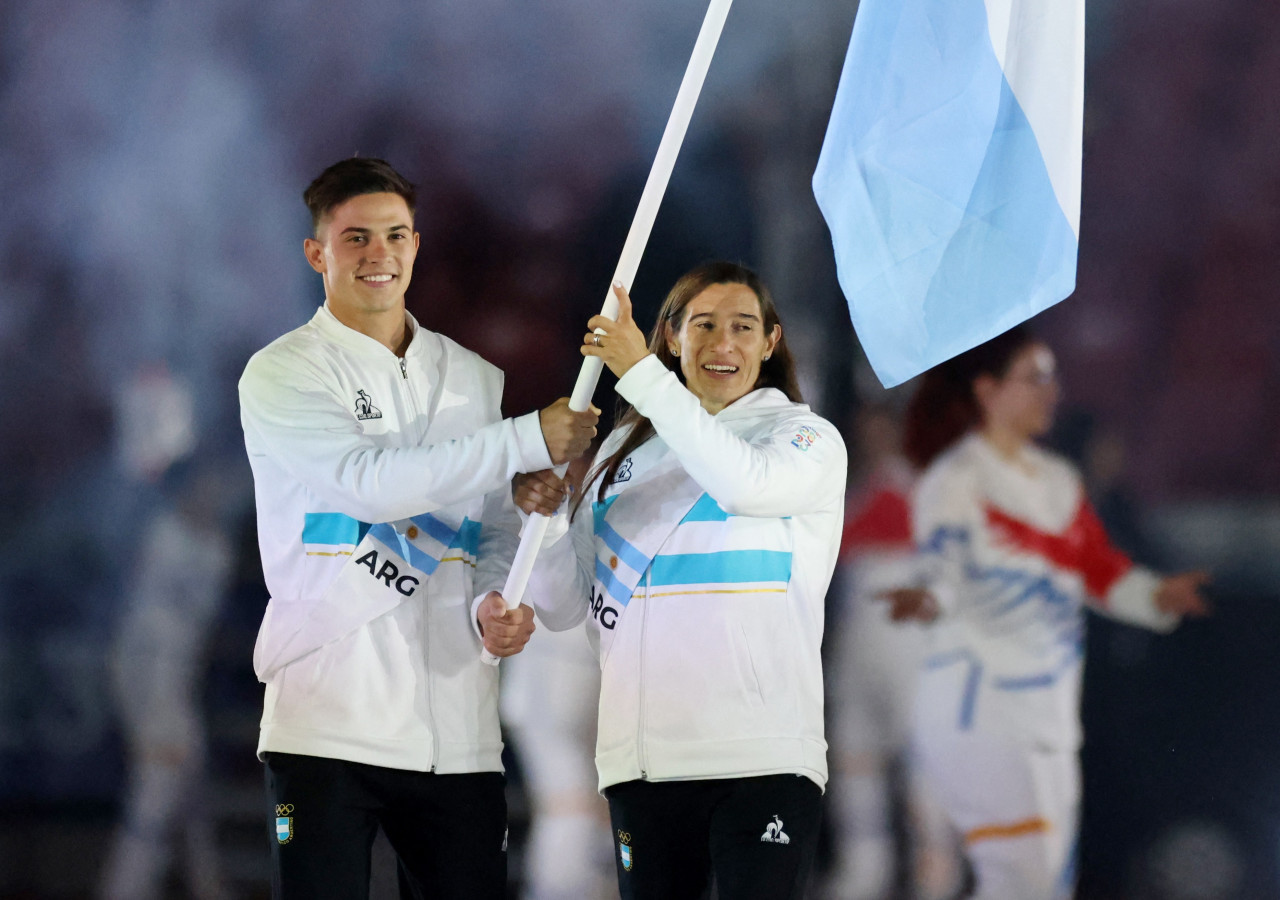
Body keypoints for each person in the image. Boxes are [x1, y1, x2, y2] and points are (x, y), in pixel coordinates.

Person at [236, 157, 599, 900]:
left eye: (395, 235)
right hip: (328, 725)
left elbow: (490, 532)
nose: (379, 255)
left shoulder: (473, 377)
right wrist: (525, 439)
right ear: (318, 253)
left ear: (416, 245)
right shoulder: (283, 373)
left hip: (458, 736)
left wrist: (494, 603)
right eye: (356, 238)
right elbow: (368, 486)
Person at [516, 262, 847, 900]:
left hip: (760, 757)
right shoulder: (619, 455)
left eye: (743, 327)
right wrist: (550, 516)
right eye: (705, 326)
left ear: (771, 342)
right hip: (643, 764)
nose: (724, 344)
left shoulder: (805, 440)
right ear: (672, 336)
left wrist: (641, 375)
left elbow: (743, 482)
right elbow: (566, 606)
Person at [886, 326, 1209, 900]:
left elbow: (1098, 570)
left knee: (1052, 875)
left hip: (1060, 720)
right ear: (989, 392)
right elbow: (947, 573)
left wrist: (1152, 598)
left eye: (1051, 380)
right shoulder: (959, 481)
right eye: (1034, 379)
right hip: (990, 711)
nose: (1049, 393)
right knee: (1017, 875)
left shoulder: (1066, 489)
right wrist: (934, 598)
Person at [821, 406, 961, 900]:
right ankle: (866, 868)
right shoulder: (856, 490)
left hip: (908, 644)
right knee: (856, 756)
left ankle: (937, 868)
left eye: (882, 429)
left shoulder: (915, 490)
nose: (871, 437)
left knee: (920, 756)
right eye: (866, 430)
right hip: (858, 642)